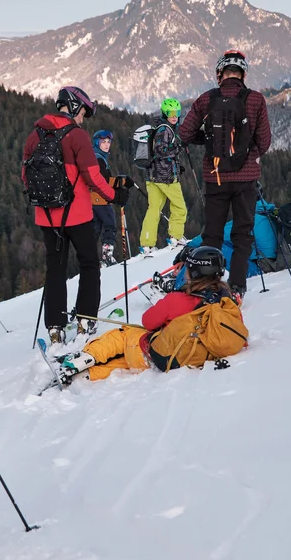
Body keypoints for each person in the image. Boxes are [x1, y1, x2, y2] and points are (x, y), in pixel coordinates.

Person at [22, 86, 130, 346]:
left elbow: (25, 177)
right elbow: (93, 176)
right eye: (83, 113)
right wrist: (114, 196)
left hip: (47, 217)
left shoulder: (34, 136)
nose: (83, 119)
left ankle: (55, 328)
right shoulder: (77, 135)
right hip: (77, 215)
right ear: (74, 107)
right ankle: (85, 319)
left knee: (55, 269)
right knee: (89, 264)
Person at [55, 246, 247, 382]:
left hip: (163, 355)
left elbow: (148, 321)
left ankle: (81, 360)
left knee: (124, 336)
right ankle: (87, 376)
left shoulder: (178, 299)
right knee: (124, 361)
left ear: (195, 273)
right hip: (191, 357)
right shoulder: (226, 302)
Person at [178, 50, 272, 305]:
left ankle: (207, 286)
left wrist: (208, 139)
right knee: (242, 235)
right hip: (245, 179)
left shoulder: (206, 99)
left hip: (215, 177)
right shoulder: (255, 99)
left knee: (213, 235)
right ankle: (237, 288)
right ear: (243, 74)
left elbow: (185, 134)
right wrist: (249, 154)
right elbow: (264, 142)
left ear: (220, 74)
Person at [139, 98, 188, 254]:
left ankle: (147, 243)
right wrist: (179, 148)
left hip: (153, 176)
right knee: (180, 207)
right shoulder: (165, 130)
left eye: (177, 112)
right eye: (171, 113)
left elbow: (159, 153)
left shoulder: (160, 128)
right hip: (166, 178)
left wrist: (176, 165)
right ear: (165, 113)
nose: (174, 116)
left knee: (154, 209)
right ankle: (176, 237)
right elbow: (161, 150)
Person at [91, 130, 119, 266]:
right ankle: (107, 255)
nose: (107, 145)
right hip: (101, 199)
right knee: (110, 226)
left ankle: (91, 258)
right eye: (103, 142)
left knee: (95, 229)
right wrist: (119, 185)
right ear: (97, 143)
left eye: (109, 142)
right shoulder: (99, 159)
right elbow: (104, 181)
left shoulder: (93, 156)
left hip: (92, 199)